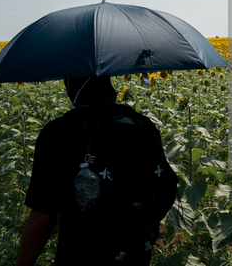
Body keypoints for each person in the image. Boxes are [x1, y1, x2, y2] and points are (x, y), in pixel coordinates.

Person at [15, 76, 178, 266]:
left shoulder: (59, 131)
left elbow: (41, 221)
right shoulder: (143, 125)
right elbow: (165, 189)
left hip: (81, 255)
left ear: (72, 85)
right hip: (134, 253)